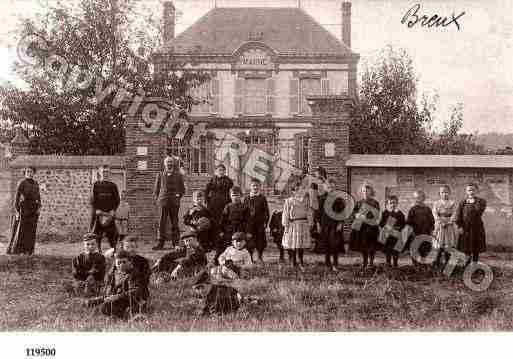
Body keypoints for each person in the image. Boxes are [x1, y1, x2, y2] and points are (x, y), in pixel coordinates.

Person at [87, 250, 149, 319]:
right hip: (117, 299)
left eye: (124, 262)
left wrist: (117, 296)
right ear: (115, 264)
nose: (121, 265)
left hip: (131, 301)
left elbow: (136, 291)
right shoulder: (113, 275)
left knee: (105, 306)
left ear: (130, 262)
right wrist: (99, 299)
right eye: (119, 263)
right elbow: (110, 293)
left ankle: (128, 315)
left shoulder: (135, 274)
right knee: (91, 303)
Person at [153, 156, 186, 250]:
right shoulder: (160, 175)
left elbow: (182, 190)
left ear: (173, 163)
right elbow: (156, 190)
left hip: (174, 203)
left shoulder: (178, 175)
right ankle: (160, 243)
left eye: (171, 162)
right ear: (164, 164)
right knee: (161, 223)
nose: (169, 164)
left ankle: (175, 243)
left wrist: (178, 197)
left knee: (175, 223)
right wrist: (158, 200)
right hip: (163, 202)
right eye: (167, 162)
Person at [7, 166, 41, 255]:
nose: (30, 173)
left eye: (31, 172)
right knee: (21, 230)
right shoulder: (21, 183)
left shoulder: (36, 183)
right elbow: (17, 197)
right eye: (28, 171)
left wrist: (39, 207)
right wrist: (17, 211)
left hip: (33, 209)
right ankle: (18, 250)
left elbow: (38, 196)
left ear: (34, 173)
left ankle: (29, 250)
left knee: (31, 230)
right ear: (25, 173)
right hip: (24, 208)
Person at [282, 181, 313, 270]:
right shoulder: (289, 201)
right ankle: (293, 261)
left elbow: (309, 212)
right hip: (293, 224)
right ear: (293, 191)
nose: (299, 192)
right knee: (293, 243)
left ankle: (301, 261)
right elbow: (286, 214)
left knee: (301, 244)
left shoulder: (306, 201)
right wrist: (286, 225)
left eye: (301, 190)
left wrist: (310, 223)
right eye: (296, 190)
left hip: (303, 224)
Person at [349, 184, 381, 269]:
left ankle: (371, 262)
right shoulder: (359, 203)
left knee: (372, 246)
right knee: (364, 245)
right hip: (362, 228)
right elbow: (353, 213)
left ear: (371, 192)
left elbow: (377, 215)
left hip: (371, 227)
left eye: (367, 191)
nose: (365, 193)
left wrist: (366, 217)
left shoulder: (375, 203)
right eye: (363, 191)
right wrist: (356, 215)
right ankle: (364, 262)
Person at [317, 178, 346, 271]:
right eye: (329, 187)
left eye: (332, 187)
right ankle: (327, 263)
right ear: (325, 187)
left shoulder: (339, 199)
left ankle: (335, 264)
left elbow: (342, 213)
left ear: (335, 187)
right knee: (326, 245)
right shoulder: (321, 198)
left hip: (335, 225)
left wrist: (341, 223)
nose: (331, 189)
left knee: (335, 245)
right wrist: (318, 224)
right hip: (325, 225)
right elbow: (318, 213)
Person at [90, 165, 120, 253]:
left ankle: (113, 250)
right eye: (103, 172)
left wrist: (113, 210)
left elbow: (117, 200)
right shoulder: (96, 185)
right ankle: (98, 250)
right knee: (96, 234)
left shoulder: (113, 186)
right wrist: (96, 210)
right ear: (100, 173)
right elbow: (92, 200)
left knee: (113, 234)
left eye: (107, 172)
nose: (105, 174)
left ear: (109, 173)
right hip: (99, 214)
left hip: (109, 214)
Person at [216, 186, 249, 264]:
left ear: (241, 196)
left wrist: (248, 231)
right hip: (230, 229)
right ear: (230, 196)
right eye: (233, 195)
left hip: (241, 229)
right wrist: (221, 230)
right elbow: (223, 220)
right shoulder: (228, 206)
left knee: (241, 245)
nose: (235, 197)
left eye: (237, 195)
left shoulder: (245, 207)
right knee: (227, 245)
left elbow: (248, 221)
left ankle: (244, 261)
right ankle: (225, 260)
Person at [455, 183, 487, 263]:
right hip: (465, 228)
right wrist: (459, 226)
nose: (471, 192)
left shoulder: (481, 201)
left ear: (477, 191)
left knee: (476, 247)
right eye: (469, 190)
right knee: (466, 247)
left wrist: (474, 201)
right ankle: (467, 265)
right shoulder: (463, 202)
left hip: (477, 227)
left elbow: (479, 211)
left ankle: (475, 264)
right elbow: (458, 215)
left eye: (473, 190)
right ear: (466, 191)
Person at [405, 190, 435, 265]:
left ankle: (422, 264)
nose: (418, 199)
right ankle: (415, 264)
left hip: (425, 232)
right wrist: (411, 232)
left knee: (424, 249)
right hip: (415, 232)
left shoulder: (427, 209)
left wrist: (431, 231)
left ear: (424, 198)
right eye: (416, 198)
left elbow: (432, 221)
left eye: (420, 197)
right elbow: (409, 222)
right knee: (415, 248)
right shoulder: (413, 209)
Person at [243, 178, 270, 263]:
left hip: (259, 223)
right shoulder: (247, 198)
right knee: (250, 241)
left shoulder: (262, 198)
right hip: (249, 223)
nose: (255, 187)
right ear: (250, 187)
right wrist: (245, 222)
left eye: (257, 186)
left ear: (260, 187)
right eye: (253, 186)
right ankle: (250, 257)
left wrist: (265, 222)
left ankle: (260, 256)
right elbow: (243, 211)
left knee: (260, 240)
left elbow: (266, 211)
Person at [432, 185, 458, 267]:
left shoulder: (452, 203)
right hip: (440, 225)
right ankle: (436, 261)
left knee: (448, 244)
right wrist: (440, 221)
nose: (444, 194)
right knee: (439, 243)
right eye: (442, 192)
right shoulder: (436, 203)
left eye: (446, 192)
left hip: (449, 225)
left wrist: (449, 222)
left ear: (449, 193)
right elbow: (434, 213)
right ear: (439, 194)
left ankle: (447, 262)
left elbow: (455, 214)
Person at [379, 196, 405, 268]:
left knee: (395, 250)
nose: (392, 205)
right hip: (387, 235)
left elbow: (403, 224)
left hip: (396, 235)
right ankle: (388, 263)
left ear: (397, 203)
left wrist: (397, 228)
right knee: (388, 250)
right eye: (391, 203)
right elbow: (381, 223)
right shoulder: (385, 213)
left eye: (394, 203)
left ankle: (395, 264)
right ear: (388, 204)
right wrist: (387, 227)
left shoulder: (400, 214)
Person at [122, 235, 151, 300]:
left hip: (137, 293)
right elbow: (111, 277)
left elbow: (144, 280)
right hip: (120, 291)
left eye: (132, 247)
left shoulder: (143, 262)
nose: (130, 250)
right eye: (127, 247)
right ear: (123, 248)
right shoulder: (119, 261)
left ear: (137, 247)